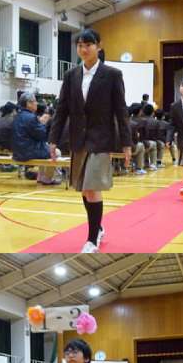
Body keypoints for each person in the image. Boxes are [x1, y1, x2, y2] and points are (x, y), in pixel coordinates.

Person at [48, 28, 132, 253]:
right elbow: (62, 109)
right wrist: (53, 139)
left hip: (101, 140)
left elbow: (121, 111)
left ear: (98, 46)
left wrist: (126, 144)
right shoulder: (71, 75)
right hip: (78, 140)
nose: (84, 49)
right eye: (80, 45)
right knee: (85, 190)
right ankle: (99, 227)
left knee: (92, 188)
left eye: (88, 45)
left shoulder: (112, 75)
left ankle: (92, 239)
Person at [12, 92, 61, 186]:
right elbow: (42, 135)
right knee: (55, 152)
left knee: (45, 148)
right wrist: (43, 123)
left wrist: (39, 123)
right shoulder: (31, 117)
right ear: (28, 103)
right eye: (34, 101)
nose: (36, 103)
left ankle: (41, 177)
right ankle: (47, 178)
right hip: (29, 151)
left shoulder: (17, 116)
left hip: (18, 151)